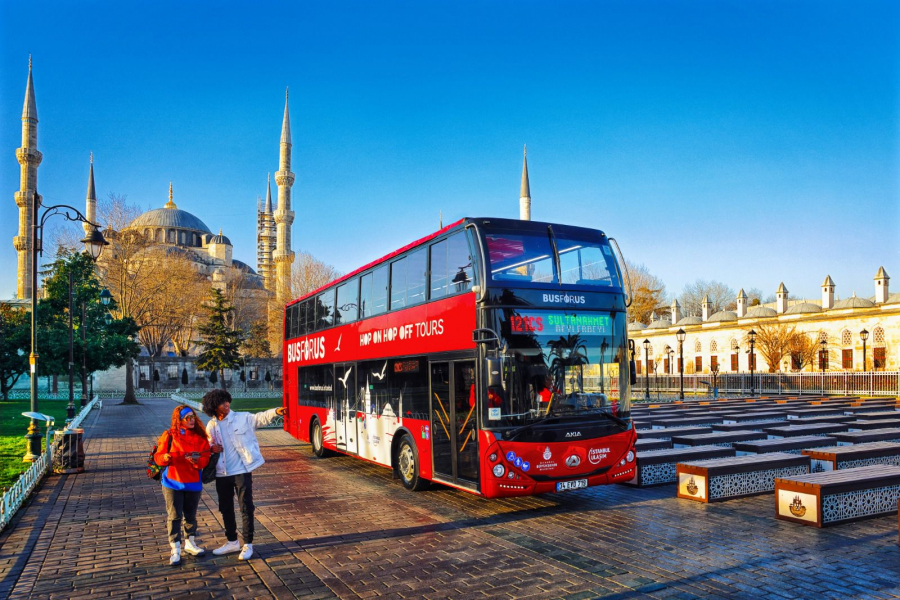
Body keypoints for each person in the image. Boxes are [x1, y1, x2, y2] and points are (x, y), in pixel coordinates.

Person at [202, 389, 286, 561]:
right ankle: (232, 541)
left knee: (246, 507)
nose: (226, 404)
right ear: (213, 406)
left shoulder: (242, 418)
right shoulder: (211, 426)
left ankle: (248, 544)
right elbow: (207, 445)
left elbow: (260, 418)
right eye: (222, 402)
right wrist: (211, 448)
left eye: (227, 401)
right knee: (226, 508)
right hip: (222, 472)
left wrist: (276, 411)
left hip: (241, 471)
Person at [154, 405, 211, 565]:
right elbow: (158, 456)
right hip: (172, 482)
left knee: (191, 516)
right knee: (174, 516)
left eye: (193, 417)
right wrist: (164, 458)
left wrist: (196, 461)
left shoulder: (200, 437)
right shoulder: (169, 435)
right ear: (179, 420)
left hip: (193, 482)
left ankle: (190, 543)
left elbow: (205, 458)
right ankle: (175, 547)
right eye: (188, 418)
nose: (192, 420)